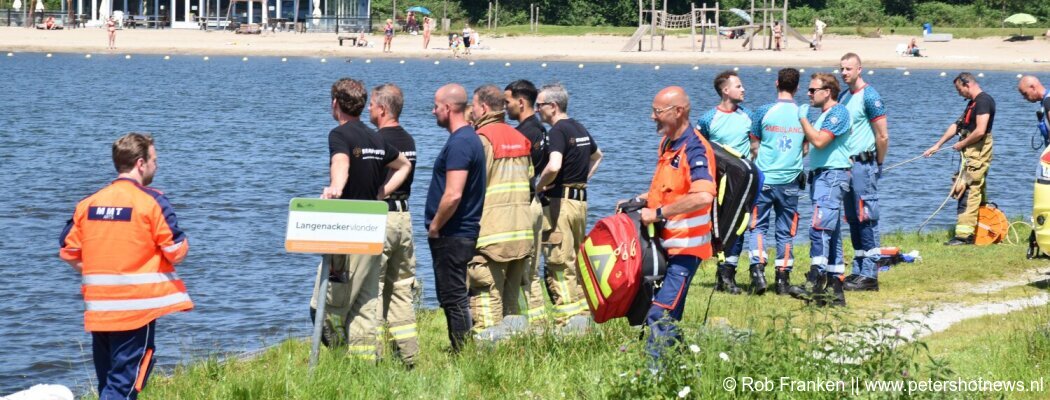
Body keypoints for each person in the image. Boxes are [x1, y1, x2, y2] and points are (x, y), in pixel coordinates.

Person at [59, 132, 193, 400]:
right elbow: (176, 252)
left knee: (109, 383)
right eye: (155, 159)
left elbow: (69, 251)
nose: (157, 165)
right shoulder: (152, 202)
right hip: (136, 312)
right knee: (124, 386)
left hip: (99, 310)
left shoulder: (89, 203)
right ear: (141, 163)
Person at [311, 78, 411, 361]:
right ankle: (365, 366)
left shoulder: (339, 135)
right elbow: (404, 164)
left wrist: (336, 187)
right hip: (373, 230)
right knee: (365, 305)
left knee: (324, 308)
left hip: (347, 231)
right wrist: (382, 193)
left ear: (335, 104)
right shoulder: (376, 138)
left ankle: (341, 360)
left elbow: (340, 162)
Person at [624, 86, 716, 364]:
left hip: (687, 249)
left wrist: (660, 212)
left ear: (678, 111)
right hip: (664, 246)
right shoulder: (667, 145)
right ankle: (687, 372)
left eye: (658, 112)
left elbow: (702, 195)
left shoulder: (696, 148)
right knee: (670, 316)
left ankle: (654, 381)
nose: (653, 117)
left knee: (659, 314)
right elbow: (670, 189)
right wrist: (638, 201)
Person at [467, 84, 535, 340]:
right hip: (521, 231)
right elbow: (530, 180)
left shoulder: (481, 140)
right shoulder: (521, 138)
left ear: (483, 108)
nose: (471, 112)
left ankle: (487, 350)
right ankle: (514, 348)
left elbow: (472, 186)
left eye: (473, 107)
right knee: (512, 301)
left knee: (486, 294)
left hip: (491, 233)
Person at [535, 83, 603, 331]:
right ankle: (584, 314)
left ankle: (567, 322)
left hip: (560, 203)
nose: (537, 111)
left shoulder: (557, 131)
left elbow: (554, 166)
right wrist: (583, 179)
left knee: (559, 262)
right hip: (580, 201)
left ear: (552, 106)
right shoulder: (578, 126)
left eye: (539, 106)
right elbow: (598, 156)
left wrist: (538, 186)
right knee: (575, 258)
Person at [426, 83, 487, 352]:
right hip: (458, 231)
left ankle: (463, 353)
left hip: (453, 232)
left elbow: (453, 194)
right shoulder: (467, 138)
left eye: (436, 106)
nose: (433, 111)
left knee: (453, 297)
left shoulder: (462, 142)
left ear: (448, 108)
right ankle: (461, 348)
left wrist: (435, 227)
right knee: (451, 295)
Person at [788, 72, 852, 307]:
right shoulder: (824, 115)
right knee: (832, 234)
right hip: (822, 176)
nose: (808, 94)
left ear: (827, 92)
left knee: (819, 227)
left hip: (832, 175)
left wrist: (803, 120)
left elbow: (820, 141)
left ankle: (815, 280)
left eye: (813, 90)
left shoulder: (838, 112)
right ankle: (835, 290)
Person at [368, 83, 418, 368]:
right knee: (401, 289)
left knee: (371, 288)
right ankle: (408, 356)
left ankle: (372, 358)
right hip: (404, 218)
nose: (369, 109)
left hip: (382, 215)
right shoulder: (409, 139)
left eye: (372, 105)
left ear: (383, 109)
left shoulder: (377, 141)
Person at [696, 70, 757, 295]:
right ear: (725, 90)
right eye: (738, 86)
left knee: (739, 226)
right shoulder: (708, 118)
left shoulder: (748, 116)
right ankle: (720, 270)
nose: (743, 89)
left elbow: (755, 148)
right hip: (717, 182)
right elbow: (698, 149)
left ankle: (729, 272)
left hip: (741, 184)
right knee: (717, 227)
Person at [748, 68, 807, 295]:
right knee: (786, 231)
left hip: (764, 179)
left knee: (758, 225)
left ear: (776, 84)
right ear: (798, 87)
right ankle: (782, 278)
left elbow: (754, 145)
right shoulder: (803, 113)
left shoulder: (763, 111)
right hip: (790, 179)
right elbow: (805, 148)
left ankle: (758, 270)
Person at [923, 73, 995, 246]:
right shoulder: (973, 103)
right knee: (972, 190)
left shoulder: (984, 101)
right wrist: (937, 145)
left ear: (967, 84)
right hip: (968, 152)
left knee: (969, 191)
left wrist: (962, 143)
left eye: (959, 89)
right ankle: (981, 228)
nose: (958, 93)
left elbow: (980, 131)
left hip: (977, 153)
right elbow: (957, 126)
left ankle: (964, 236)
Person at [837, 53, 889, 292]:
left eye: (849, 68)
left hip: (864, 164)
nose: (844, 73)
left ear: (859, 69)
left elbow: (882, 135)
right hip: (846, 165)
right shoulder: (843, 96)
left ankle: (871, 273)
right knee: (853, 218)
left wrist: (877, 164)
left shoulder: (870, 96)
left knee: (866, 216)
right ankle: (858, 268)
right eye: (842, 69)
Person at [505, 79, 550, 325]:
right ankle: (537, 324)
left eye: (507, 101)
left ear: (521, 102)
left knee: (521, 271)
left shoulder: (523, 133)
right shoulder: (540, 129)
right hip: (536, 202)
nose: (505, 107)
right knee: (531, 272)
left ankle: (523, 325)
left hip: (524, 204)